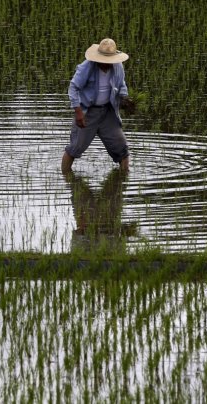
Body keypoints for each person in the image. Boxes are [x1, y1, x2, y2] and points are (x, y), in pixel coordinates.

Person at [61, 38, 132, 172]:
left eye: (108, 61)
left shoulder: (118, 66)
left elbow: (121, 85)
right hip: (88, 113)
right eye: (103, 61)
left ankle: (123, 180)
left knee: (122, 148)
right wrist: (78, 112)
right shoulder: (87, 66)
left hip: (108, 112)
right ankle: (66, 178)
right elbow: (73, 87)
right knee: (75, 148)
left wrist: (125, 99)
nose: (105, 64)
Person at [63, 167, 136, 253]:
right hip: (107, 230)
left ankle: (69, 174)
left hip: (99, 230)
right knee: (117, 179)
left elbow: (80, 230)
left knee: (76, 182)